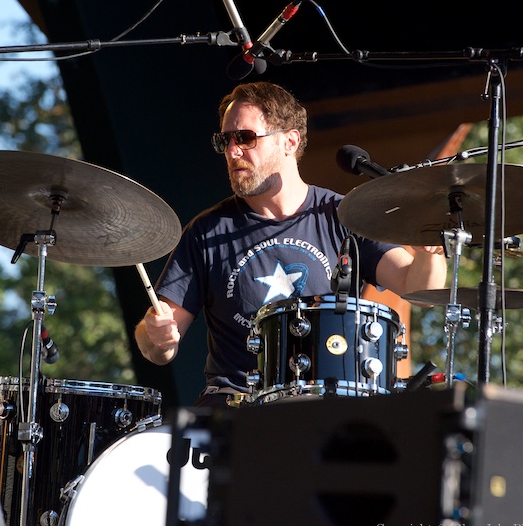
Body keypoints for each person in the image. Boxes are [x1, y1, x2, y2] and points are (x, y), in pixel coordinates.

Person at [135, 81, 447, 408]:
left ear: (289, 141)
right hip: (236, 411)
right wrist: (156, 337)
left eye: (245, 137)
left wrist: (430, 249)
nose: (232, 150)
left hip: (329, 406)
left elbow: (419, 290)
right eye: (224, 140)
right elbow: (156, 342)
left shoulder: (346, 216)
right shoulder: (205, 231)